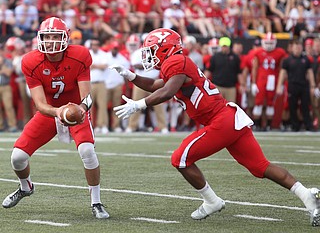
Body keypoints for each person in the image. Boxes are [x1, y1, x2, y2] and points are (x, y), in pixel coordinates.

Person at [110, 28, 320, 227]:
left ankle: (212, 201)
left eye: (153, 50)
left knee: (180, 158)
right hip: (229, 118)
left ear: (166, 48)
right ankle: (306, 194)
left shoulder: (176, 62)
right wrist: (131, 76)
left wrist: (139, 104)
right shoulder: (176, 63)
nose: (150, 56)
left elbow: (165, 92)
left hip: (220, 120)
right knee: (260, 167)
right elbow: (157, 86)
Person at [2, 17, 109, 219]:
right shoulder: (30, 61)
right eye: (47, 36)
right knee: (17, 157)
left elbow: (87, 96)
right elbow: (40, 104)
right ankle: (26, 187)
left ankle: (96, 201)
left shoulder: (80, 55)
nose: (51, 41)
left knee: (87, 150)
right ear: (40, 38)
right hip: (49, 111)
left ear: (65, 38)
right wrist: (58, 112)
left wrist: (79, 109)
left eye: (55, 36)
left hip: (76, 109)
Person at [276, 40, 315, 131]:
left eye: (299, 47)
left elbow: (310, 72)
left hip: (304, 86)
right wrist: (279, 86)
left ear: (302, 48)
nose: (298, 49)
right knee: (292, 106)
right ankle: (295, 126)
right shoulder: (287, 60)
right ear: (292, 48)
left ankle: (308, 125)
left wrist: (312, 85)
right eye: (296, 47)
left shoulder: (306, 59)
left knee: (305, 106)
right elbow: (282, 73)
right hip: (292, 85)